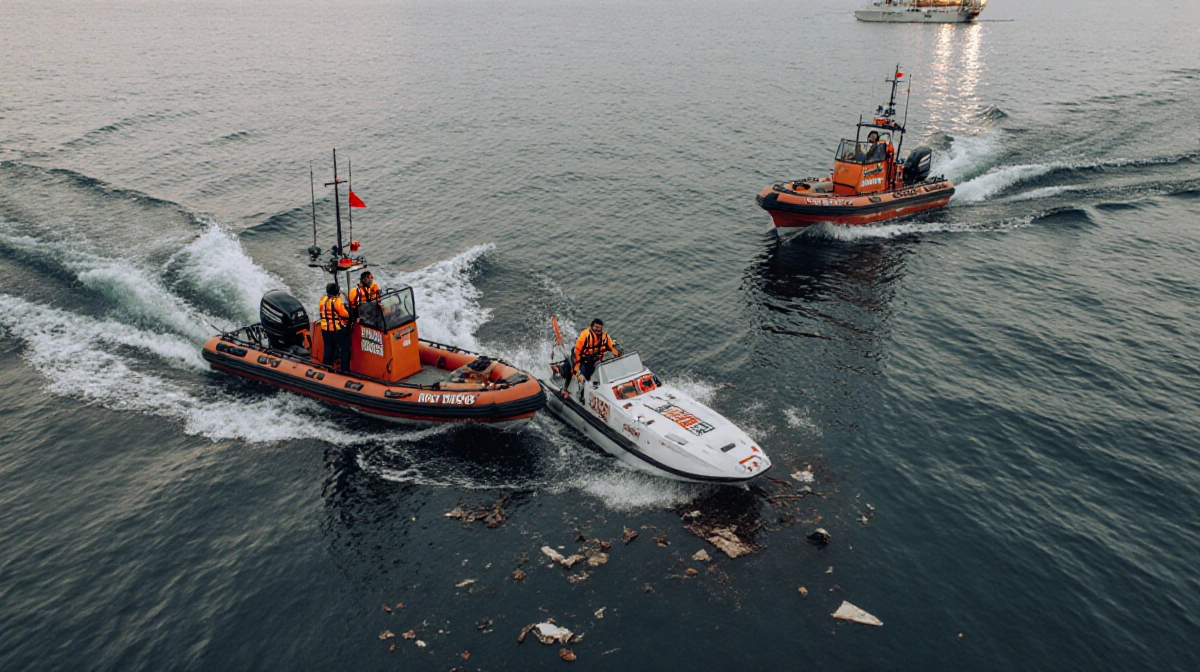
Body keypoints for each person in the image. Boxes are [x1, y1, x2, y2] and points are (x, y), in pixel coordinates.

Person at [573, 318, 621, 383]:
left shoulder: (605, 337)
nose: (598, 329)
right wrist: (578, 373)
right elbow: (577, 355)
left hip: (597, 362)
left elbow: (612, 348)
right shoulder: (585, 336)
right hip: (583, 362)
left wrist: (619, 354)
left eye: (599, 328)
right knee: (582, 379)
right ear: (592, 327)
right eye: (596, 327)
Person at [318, 282, 351, 372]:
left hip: (325, 329)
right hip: (335, 330)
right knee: (345, 347)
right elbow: (345, 315)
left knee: (328, 349)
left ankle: (326, 368)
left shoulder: (323, 299)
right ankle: (345, 369)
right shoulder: (337, 301)